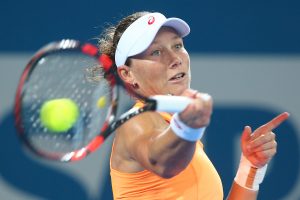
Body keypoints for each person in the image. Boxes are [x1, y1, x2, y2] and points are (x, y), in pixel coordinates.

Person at [97, 11, 290, 200]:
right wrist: (187, 127)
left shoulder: (175, 130)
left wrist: (250, 167)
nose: (175, 59)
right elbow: (164, 164)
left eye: (177, 45)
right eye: (156, 52)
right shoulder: (136, 122)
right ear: (127, 74)